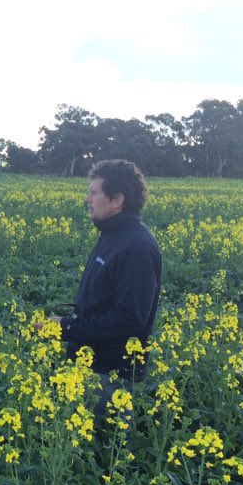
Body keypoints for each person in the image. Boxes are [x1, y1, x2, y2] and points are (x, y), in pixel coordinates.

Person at [46, 159, 162, 415]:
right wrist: (68, 326)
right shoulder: (113, 234)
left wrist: (67, 328)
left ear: (116, 200)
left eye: (93, 192)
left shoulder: (136, 246)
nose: (87, 198)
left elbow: (130, 318)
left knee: (107, 447)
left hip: (109, 374)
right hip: (89, 363)